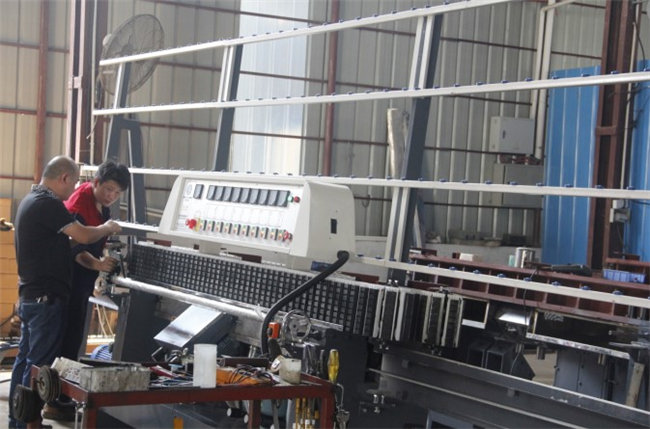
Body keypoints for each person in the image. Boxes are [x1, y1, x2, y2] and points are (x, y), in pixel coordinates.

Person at [8, 156, 121, 428]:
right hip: (45, 300)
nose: (74, 189)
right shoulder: (48, 204)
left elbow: (62, 243)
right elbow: (83, 236)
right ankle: (27, 423)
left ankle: (17, 420)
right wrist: (106, 228)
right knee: (38, 368)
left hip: (30, 296)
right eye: (74, 182)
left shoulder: (30, 200)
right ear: (64, 178)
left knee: (24, 362)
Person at [60, 160, 129, 362]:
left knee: (76, 331)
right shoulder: (79, 205)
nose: (111, 196)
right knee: (68, 334)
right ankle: (60, 375)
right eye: (108, 189)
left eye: (117, 193)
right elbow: (74, 248)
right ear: (96, 182)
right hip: (69, 278)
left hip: (84, 280)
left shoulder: (100, 203)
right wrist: (98, 264)